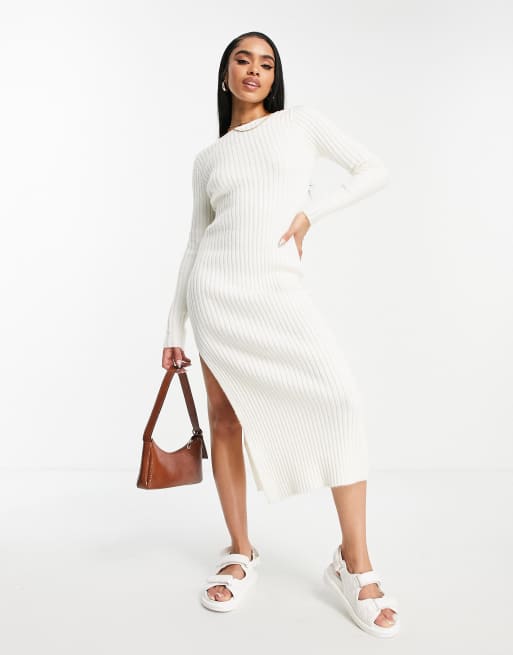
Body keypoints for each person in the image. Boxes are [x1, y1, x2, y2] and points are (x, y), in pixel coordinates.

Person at [161, 31, 400, 637]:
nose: (254, 70)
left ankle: (354, 563)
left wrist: (310, 214)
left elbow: (374, 169)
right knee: (225, 422)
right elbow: (194, 244)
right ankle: (240, 551)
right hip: (216, 297)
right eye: (242, 60)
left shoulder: (300, 124)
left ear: (275, 77)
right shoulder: (208, 159)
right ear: (225, 73)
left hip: (278, 294)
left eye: (266, 63)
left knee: (341, 401)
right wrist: (173, 328)